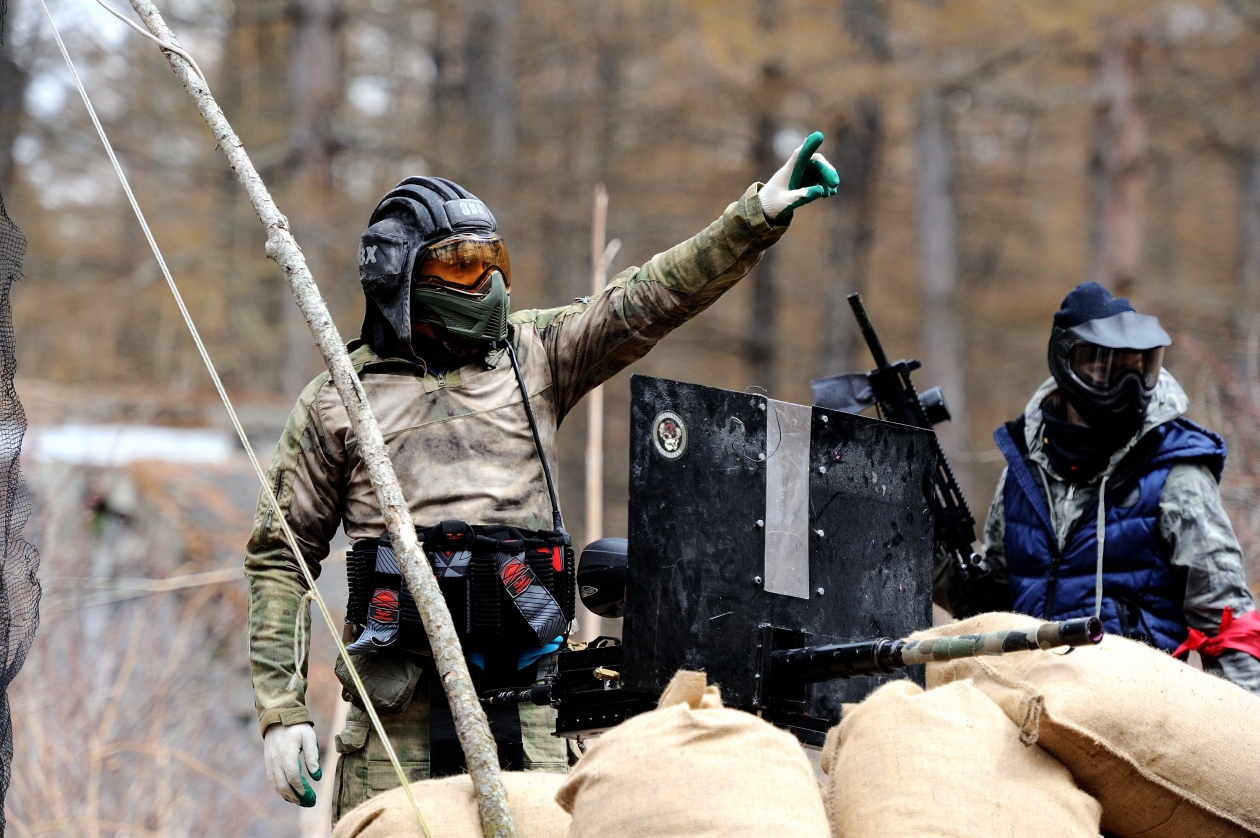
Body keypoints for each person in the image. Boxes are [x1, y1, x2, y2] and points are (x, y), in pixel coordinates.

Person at [245, 134, 840, 819]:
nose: (489, 284)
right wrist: (281, 710)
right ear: (398, 278)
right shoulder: (338, 399)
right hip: (397, 718)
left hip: (532, 710)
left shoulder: (534, 354)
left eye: (493, 261)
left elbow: (646, 298)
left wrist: (755, 215)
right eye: (463, 267)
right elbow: (279, 557)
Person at [935, 282, 1260, 695]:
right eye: (1104, 367)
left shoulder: (1176, 473)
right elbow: (992, 606)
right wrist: (930, 553)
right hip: (1027, 697)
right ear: (1064, 361)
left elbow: (1228, 625)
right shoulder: (1025, 470)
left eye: (1138, 368)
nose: (1126, 385)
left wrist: (1247, 739)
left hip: (1137, 708)